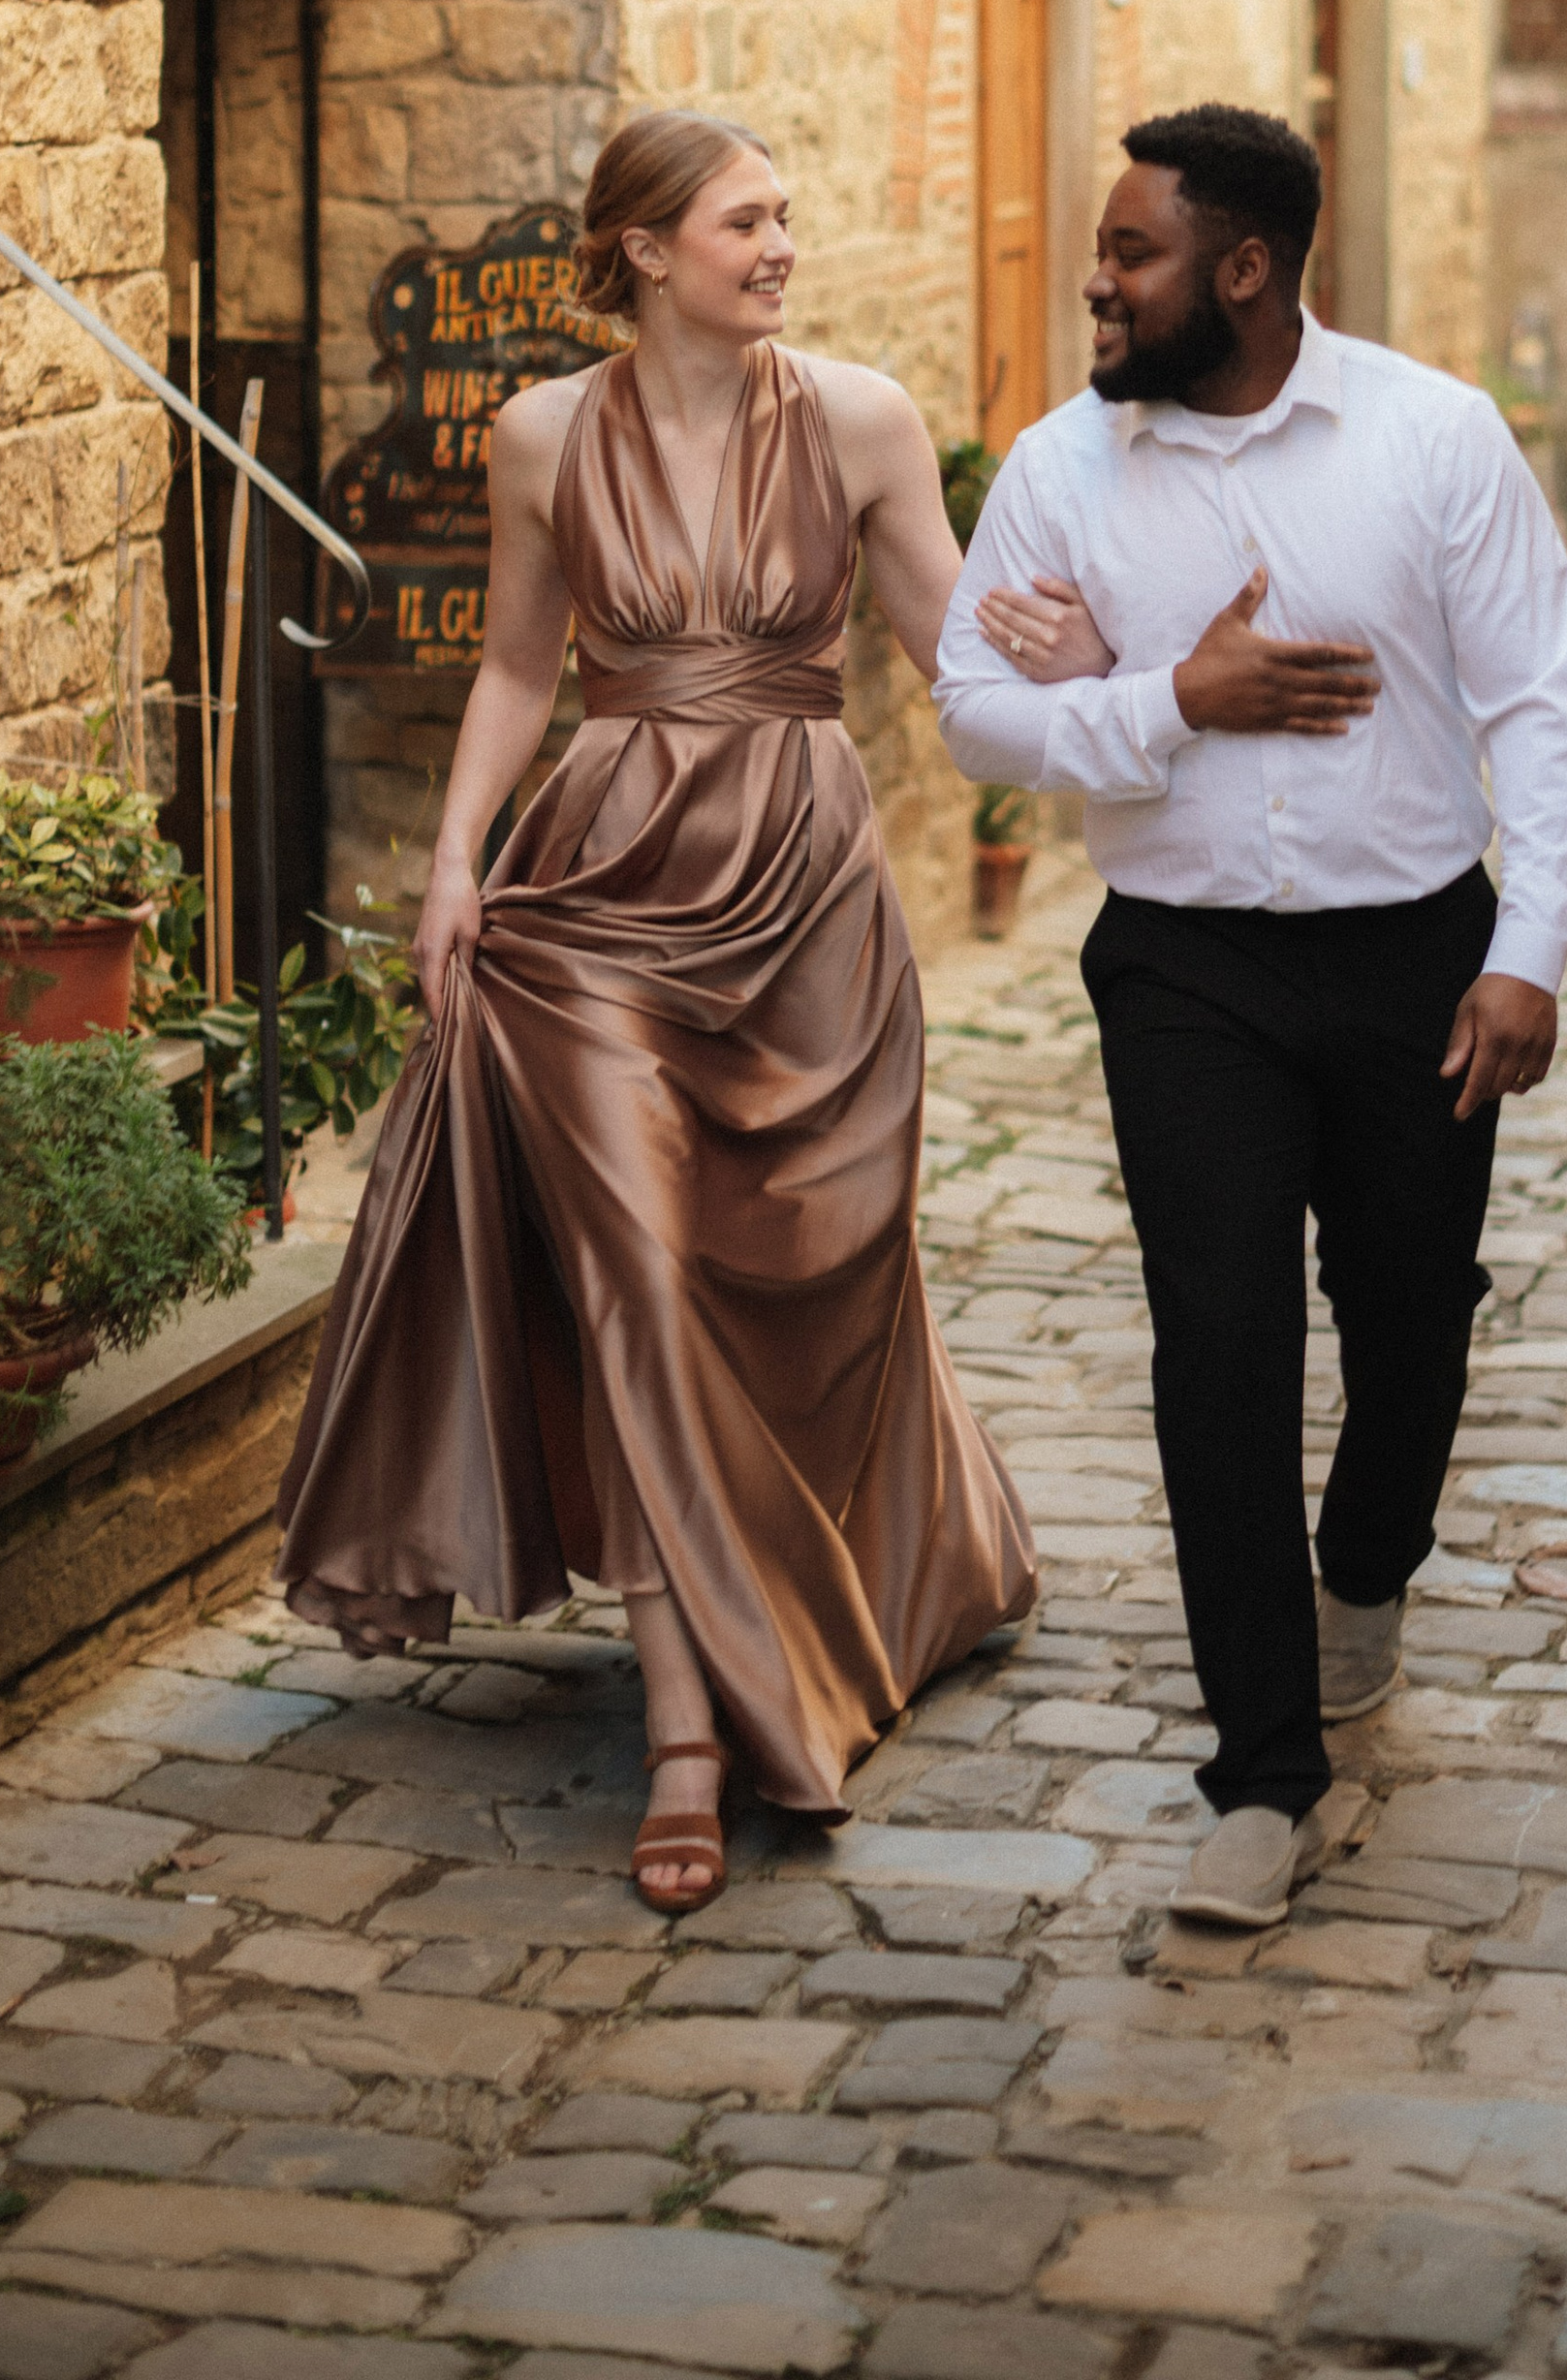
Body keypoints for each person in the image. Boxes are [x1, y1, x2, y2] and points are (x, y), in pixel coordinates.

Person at [278, 110, 1081, 1909]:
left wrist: (1092, 658)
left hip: (806, 905)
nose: (781, 245)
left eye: (788, 216)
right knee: (637, 1270)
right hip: (603, 899)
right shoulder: (545, 434)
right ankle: (693, 1729)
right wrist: (451, 860)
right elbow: (515, 663)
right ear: (645, 250)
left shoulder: (863, 421)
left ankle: (874, 1576)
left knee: (817, 1273)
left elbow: (949, 636)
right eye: (746, 220)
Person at [935, 103, 1567, 1929]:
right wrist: (1168, 701)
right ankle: (1263, 1774)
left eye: (1131, 253)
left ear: (1243, 268)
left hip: (1413, 960)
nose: (1096, 278)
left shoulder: (1432, 438)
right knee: (1214, 1343)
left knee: (1412, 1320)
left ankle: (1367, 1566)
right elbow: (968, 704)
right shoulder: (1067, 468)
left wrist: (1528, 946)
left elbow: (1536, 698)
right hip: (1185, 967)